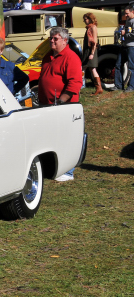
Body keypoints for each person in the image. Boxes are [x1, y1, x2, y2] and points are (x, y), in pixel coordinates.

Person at [38, 27, 83, 181]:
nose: (51, 40)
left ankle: (68, 171)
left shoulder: (71, 57)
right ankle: (53, 168)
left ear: (65, 41)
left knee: (68, 138)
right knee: (50, 138)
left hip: (64, 107)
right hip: (46, 106)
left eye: (55, 38)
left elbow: (75, 83)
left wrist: (61, 101)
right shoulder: (47, 56)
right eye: (51, 38)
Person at [112, 6, 134, 92]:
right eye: (125, 13)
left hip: (132, 46)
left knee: (131, 67)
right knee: (118, 65)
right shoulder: (128, 20)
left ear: (133, 12)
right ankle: (118, 85)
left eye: (127, 13)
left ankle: (131, 86)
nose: (126, 15)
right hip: (125, 46)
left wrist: (125, 34)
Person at [81, 12, 102, 95]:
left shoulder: (93, 27)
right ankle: (98, 88)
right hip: (87, 50)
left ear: (90, 19)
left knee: (86, 68)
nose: (84, 21)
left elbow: (94, 42)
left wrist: (92, 53)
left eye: (85, 19)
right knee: (89, 69)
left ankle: (98, 87)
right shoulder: (88, 28)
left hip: (90, 51)